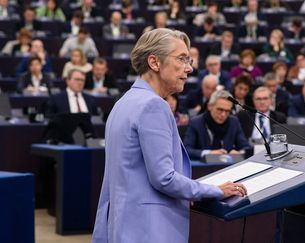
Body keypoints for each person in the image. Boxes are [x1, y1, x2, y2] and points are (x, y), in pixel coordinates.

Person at [92, 29, 246, 243]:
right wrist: (214, 190)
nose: (189, 68)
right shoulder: (154, 105)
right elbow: (164, 179)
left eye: (189, 60)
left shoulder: (123, 102)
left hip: (122, 225)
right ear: (154, 62)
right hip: (148, 230)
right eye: (182, 59)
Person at [184, 90, 251, 159]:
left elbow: (246, 147)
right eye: (220, 110)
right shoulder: (196, 122)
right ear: (210, 106)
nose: (223, 115)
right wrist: (209, 153)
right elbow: (187, 150)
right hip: (204, 167)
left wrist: (240, 153)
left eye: (227, 111)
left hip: (228, 165)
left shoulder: (234, 122)